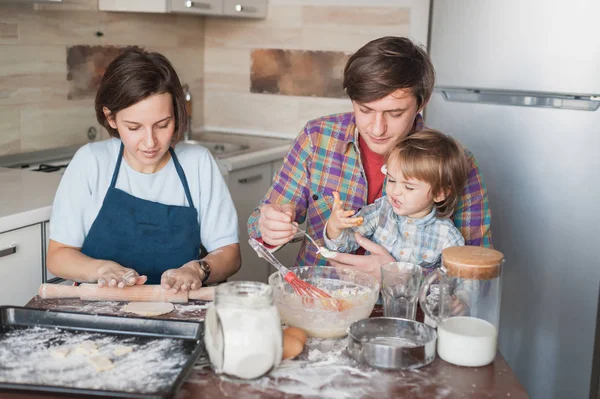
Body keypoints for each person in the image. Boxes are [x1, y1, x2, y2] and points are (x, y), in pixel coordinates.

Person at [247, 36, 492, 281]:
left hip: (404, 315)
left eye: (395, 113)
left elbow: (476, 275)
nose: (377, 129)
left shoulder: (455, 164)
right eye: (365, 110)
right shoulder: (317, 138)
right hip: (319, 303)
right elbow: (257, 223)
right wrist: (269, 226)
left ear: (422, 103)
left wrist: (402, 278)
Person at [47, 49, 241, 292]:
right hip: (98, 312)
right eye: (134, 127)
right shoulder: (91, 162)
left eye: (162, 125)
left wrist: (198, 270)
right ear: (111, 118)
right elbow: (58, 255)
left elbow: (230, 254)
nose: (150, 142)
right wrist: (101, 270)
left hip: (180, 311)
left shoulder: (197, 163)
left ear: (177, 116)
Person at [323, 129, 467, 272]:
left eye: (409, 187)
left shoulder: (447, 237)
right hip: (367, 293)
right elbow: (343, 245)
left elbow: (459, 286)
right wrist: (334, 227)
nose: (395, 191)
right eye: (391, 180)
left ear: (440, 193)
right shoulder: (382, 210)